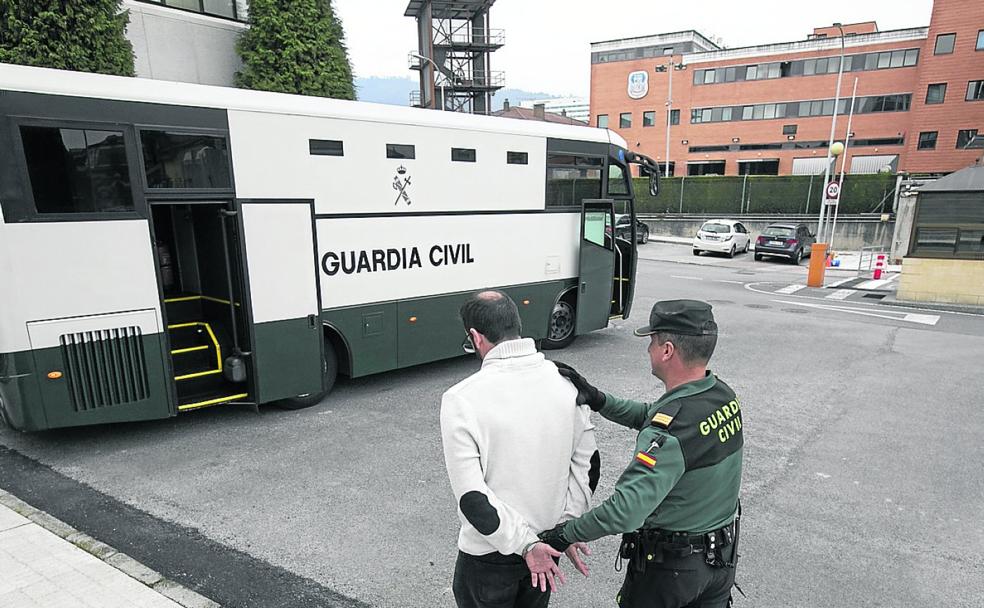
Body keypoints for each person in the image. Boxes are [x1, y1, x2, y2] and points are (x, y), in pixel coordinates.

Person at [541, 299, 744, 608]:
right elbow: (654, 414)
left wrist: (564, 534)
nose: (648, 348)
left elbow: (625, 511)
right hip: (720, 561)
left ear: (667, 351)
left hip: (673, 571)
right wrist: (599, 400)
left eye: (651, 340)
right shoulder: (720, 394)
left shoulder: (668, 432)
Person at [441, 290, 598, 608]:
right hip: (546, 545)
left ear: (475, 336)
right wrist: (565, 526)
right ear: (517, 324)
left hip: (490, 559)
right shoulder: (566, 383)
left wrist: (526, 546)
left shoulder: (461, 399)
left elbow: (473, 499)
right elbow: (589, 463)